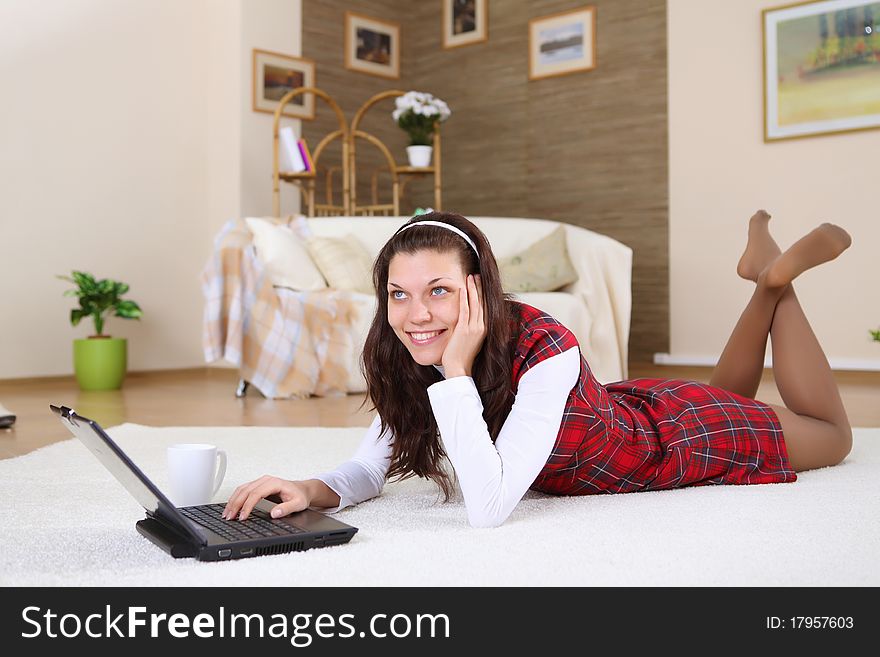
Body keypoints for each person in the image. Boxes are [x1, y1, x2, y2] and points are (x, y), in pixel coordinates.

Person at [223, 210, 853, 528]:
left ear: (478, 289)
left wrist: (457, 372)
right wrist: (311, 489)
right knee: (721, 394)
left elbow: (490, 507)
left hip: (666, 444)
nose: (415, 315)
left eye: (439, 291)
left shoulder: (545, 346)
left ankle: (777, 283)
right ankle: (764, 285)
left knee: (832, 433)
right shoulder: (407, 348)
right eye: (398, 294)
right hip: (635, 409)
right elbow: (369, 466)